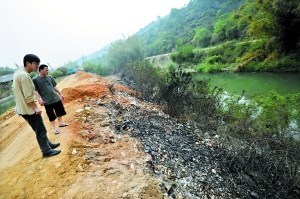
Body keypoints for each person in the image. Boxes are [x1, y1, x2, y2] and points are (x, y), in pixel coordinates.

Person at [12, 54, 61, 158]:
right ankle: (46, 151)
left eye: (38, 64)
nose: (37, 66)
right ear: (28, 63)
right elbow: (28, 96)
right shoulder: (25, 76)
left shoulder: (18, 73)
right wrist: (35, 108)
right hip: (28, 109)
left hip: (22, 108)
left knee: (39, 129)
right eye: (35, 64)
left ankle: (48, 144)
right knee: (41, 130)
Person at [33, 64, 68, 134]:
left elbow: (54, 86)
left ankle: (60, 123)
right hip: (47, 101)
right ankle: (55, 128)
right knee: (51, 115)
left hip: (56, 98)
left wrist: (60, 94)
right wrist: (39, 99)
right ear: (41, 70)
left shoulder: (50, 77)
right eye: (46, 70)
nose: (47, 71)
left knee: (59, 111)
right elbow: (35, 90)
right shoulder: (35, 79)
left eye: (47, 70)